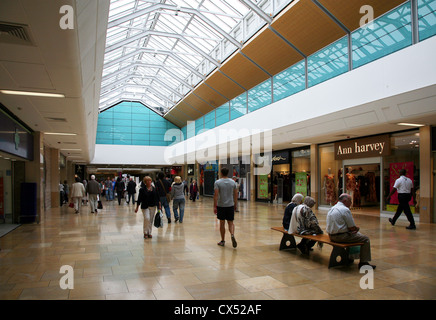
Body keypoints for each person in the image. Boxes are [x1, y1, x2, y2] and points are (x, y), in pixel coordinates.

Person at [326, 193, 375, 270]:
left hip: (331, 236)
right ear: (345, 201)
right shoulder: (345, 210)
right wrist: (356, 228)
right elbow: (352, 227)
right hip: (341, 237)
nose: (351, 203)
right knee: (365, 239)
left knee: (355, 236)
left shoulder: (332, 208)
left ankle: (350, 257)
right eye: (350, 201)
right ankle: (363, 262)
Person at [214, 167, 238, 248]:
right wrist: (235, 204)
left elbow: (216, 195)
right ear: (228, 173)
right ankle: (232, 234)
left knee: (222, 223)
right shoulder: (233, 182)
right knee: (231, 222)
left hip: (221, 205)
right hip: (230, 205)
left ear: (221, 173)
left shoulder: (217, 182)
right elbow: (235, 194)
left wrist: (215, 206)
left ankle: (223, 240)